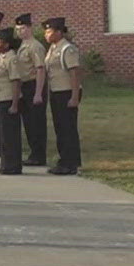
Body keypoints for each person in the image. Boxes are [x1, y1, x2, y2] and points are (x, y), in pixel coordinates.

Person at [42, 17, 84, 174]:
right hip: (56, 91)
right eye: (45, 32)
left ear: (59, 32)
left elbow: (74, 73)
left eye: (49, 31)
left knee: (68, 128)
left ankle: (70, 163)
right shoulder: (52, 48)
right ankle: (64, 159)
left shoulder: (67, 49)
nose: (46, 34)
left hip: (67, 91)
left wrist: (74, 96)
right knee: (60, 128)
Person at [13, 13, 49, 167]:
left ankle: (39, 155)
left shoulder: (35, 46)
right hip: (25, 86)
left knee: (36, 123)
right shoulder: (22, 46)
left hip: (34, 85)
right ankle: (33, 153)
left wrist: (38, 93)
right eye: (18, 29)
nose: (20, 32)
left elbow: (40, 69)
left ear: (29, 28)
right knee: (28, 122)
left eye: (23, 28)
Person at [0, 29, 25, 175]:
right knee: (4, 134)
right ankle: (6, 163)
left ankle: (13, 165)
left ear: (7, 44)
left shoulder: (11, 59)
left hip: (10, 100)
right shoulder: (2, 58)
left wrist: (15, 104)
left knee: (11, 135)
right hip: (1, 98)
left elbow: (16, 81)